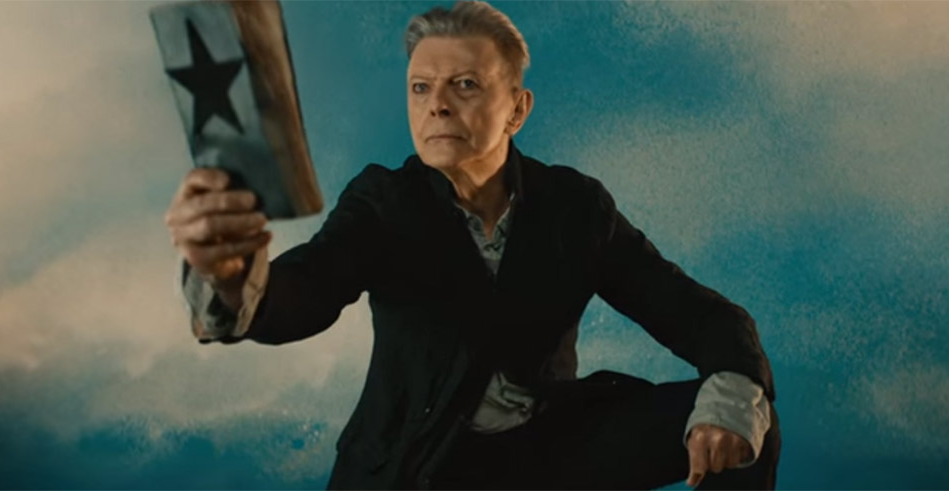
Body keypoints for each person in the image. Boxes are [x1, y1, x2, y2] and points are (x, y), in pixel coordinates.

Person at [164, 2, 780, 489]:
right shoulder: (384, 201)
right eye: (420, 88)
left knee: (746, 413)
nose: (436, 105)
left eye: (463, 85)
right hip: (419, 464)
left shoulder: (575, 207)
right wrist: (228, 273)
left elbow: (697, 313)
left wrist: (728, 396)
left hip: (549, 453)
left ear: (517, 110)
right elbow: (305, 290)